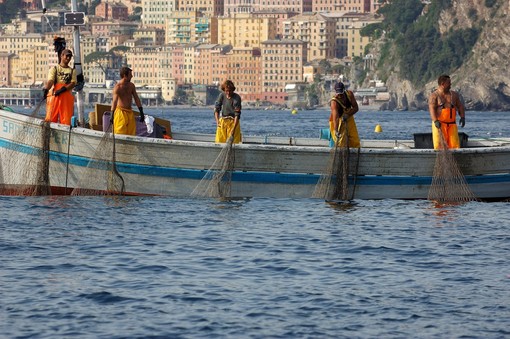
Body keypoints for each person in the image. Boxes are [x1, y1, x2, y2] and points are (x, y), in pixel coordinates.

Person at [428, 74, 466, 149]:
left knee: (455, 146)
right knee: (440, 146)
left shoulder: (454, 95)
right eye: (449, 83)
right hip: (439, 125)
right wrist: (435, 121)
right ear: (442, 84)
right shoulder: (434, 96)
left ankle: (454, 160)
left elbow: (460, 106)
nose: (450, 85)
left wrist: (462, 117)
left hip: (452, 125)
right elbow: (431, 109)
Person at [43, 49, 77, 125]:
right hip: (54, 96)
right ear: (61, 56)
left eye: (70, 56)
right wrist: (46, 89)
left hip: (66, 98)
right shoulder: (54, 69)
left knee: (66, 121)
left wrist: (63, 90)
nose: (68, 58)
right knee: (50, 119)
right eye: (67, 56)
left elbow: (73, 83)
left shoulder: (72, 71)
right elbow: (50, 81)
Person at [110, 67, 144, 136]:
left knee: (131, 134)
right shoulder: (118, 87)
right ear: (125, 76)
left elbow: (136, 98)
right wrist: (112, 115)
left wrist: (141, 112)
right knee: (120, 133)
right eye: (130, 74)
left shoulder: (131, 86)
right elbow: (114, 102)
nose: (132, 76)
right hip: (120, 113)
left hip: (130, 113)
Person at [329, 81, 360, 148]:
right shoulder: (334, 102)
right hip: (338, 121)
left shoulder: (349, 94)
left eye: (341, 93)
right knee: (341, 141)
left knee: (354, 139)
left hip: (349, 118)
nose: (340, 95)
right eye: (338, 93)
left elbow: (356, 108)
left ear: (344, 90)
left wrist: (347, 115)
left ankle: (355, 152)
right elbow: (335, 118)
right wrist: (336, 131)